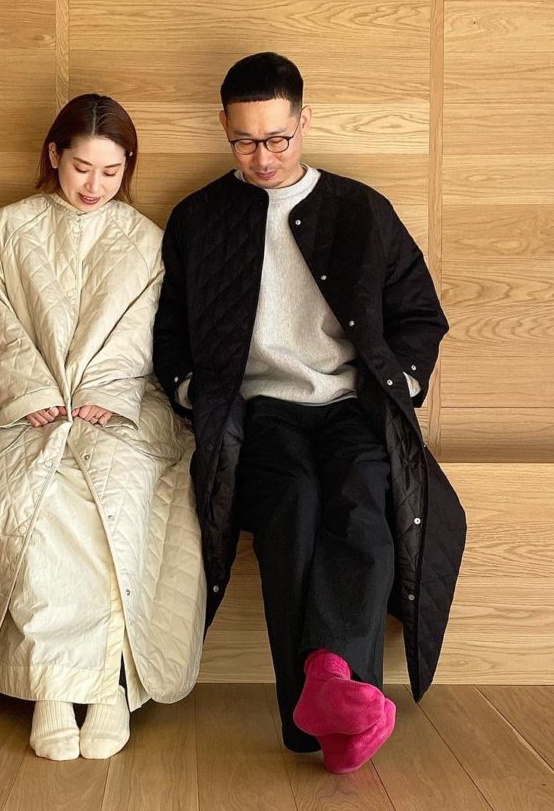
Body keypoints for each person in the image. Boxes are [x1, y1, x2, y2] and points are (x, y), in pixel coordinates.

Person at [153, 52, 466, 773]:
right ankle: (330, 713)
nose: (262, 157)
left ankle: (333, 681)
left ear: (304, 121)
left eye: (277, 138)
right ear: (223, 127)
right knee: (290, 506)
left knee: (363, 501)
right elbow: (167, 331)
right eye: (243, 141)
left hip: (351, 403)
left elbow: (420, 313)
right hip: (258, 410)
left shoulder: (361, 210)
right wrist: (194, 392)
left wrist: (402, 383)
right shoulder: (198, 219)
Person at [0, 94, 206, 761]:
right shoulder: (6, 229)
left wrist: (100, 394)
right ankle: (58, 691)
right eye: (81, 168)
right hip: (15, 404)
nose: (94, 185)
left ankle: (102, 688)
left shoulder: (147, 240)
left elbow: (139, 336)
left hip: (121, 404)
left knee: (109, 496)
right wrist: (34, 392)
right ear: (53, 156)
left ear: (128, 168)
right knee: (40, 491)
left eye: (111, 171)